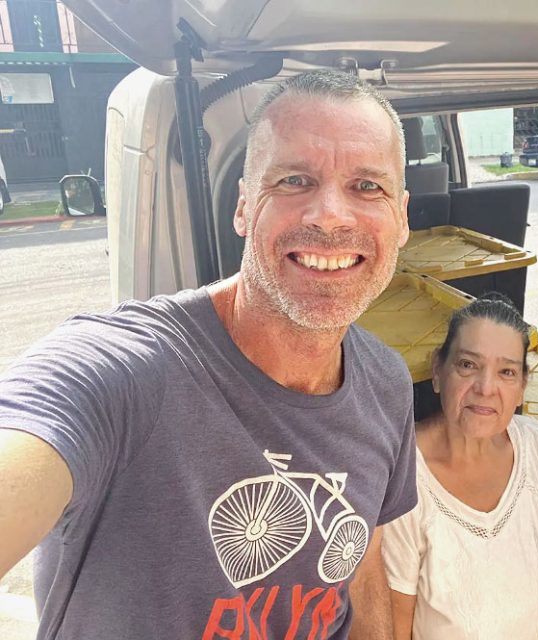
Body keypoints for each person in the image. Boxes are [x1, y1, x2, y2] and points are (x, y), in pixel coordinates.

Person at [0, 70, 417, 639]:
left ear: (402, 219)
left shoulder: (386, 384)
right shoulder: (123, 372)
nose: (331, 216)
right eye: (295, 180)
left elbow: (359, 562)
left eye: (368, 187)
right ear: (244, 208)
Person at [382, 294, 538, 640]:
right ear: (438, 370)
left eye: (506, 372)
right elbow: (395, 626)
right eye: (468, 365)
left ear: (521, 389)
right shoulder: (403, 475)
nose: (486, 388)